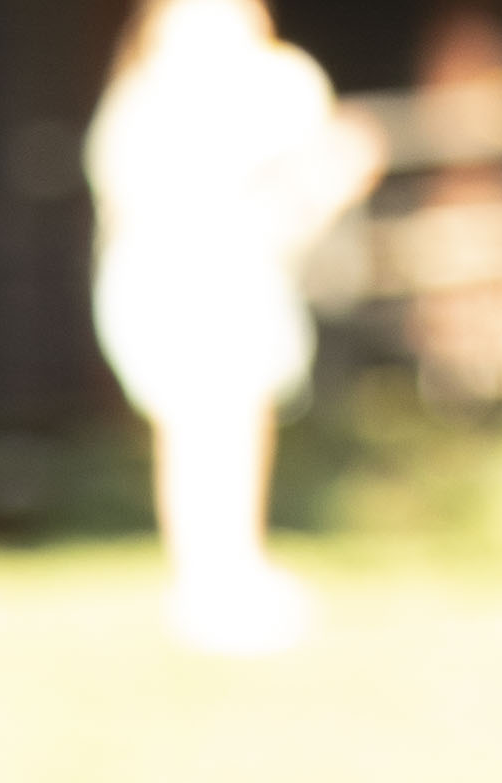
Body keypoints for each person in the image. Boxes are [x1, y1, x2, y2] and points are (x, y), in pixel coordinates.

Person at [86, 0, 378, 657]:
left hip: (237, 279)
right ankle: (208, 582)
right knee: (200, 431)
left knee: (234, 429)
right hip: (175, 280)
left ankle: (230, 569)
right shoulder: (156, 102)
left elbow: (299, 201)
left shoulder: (273, 85)